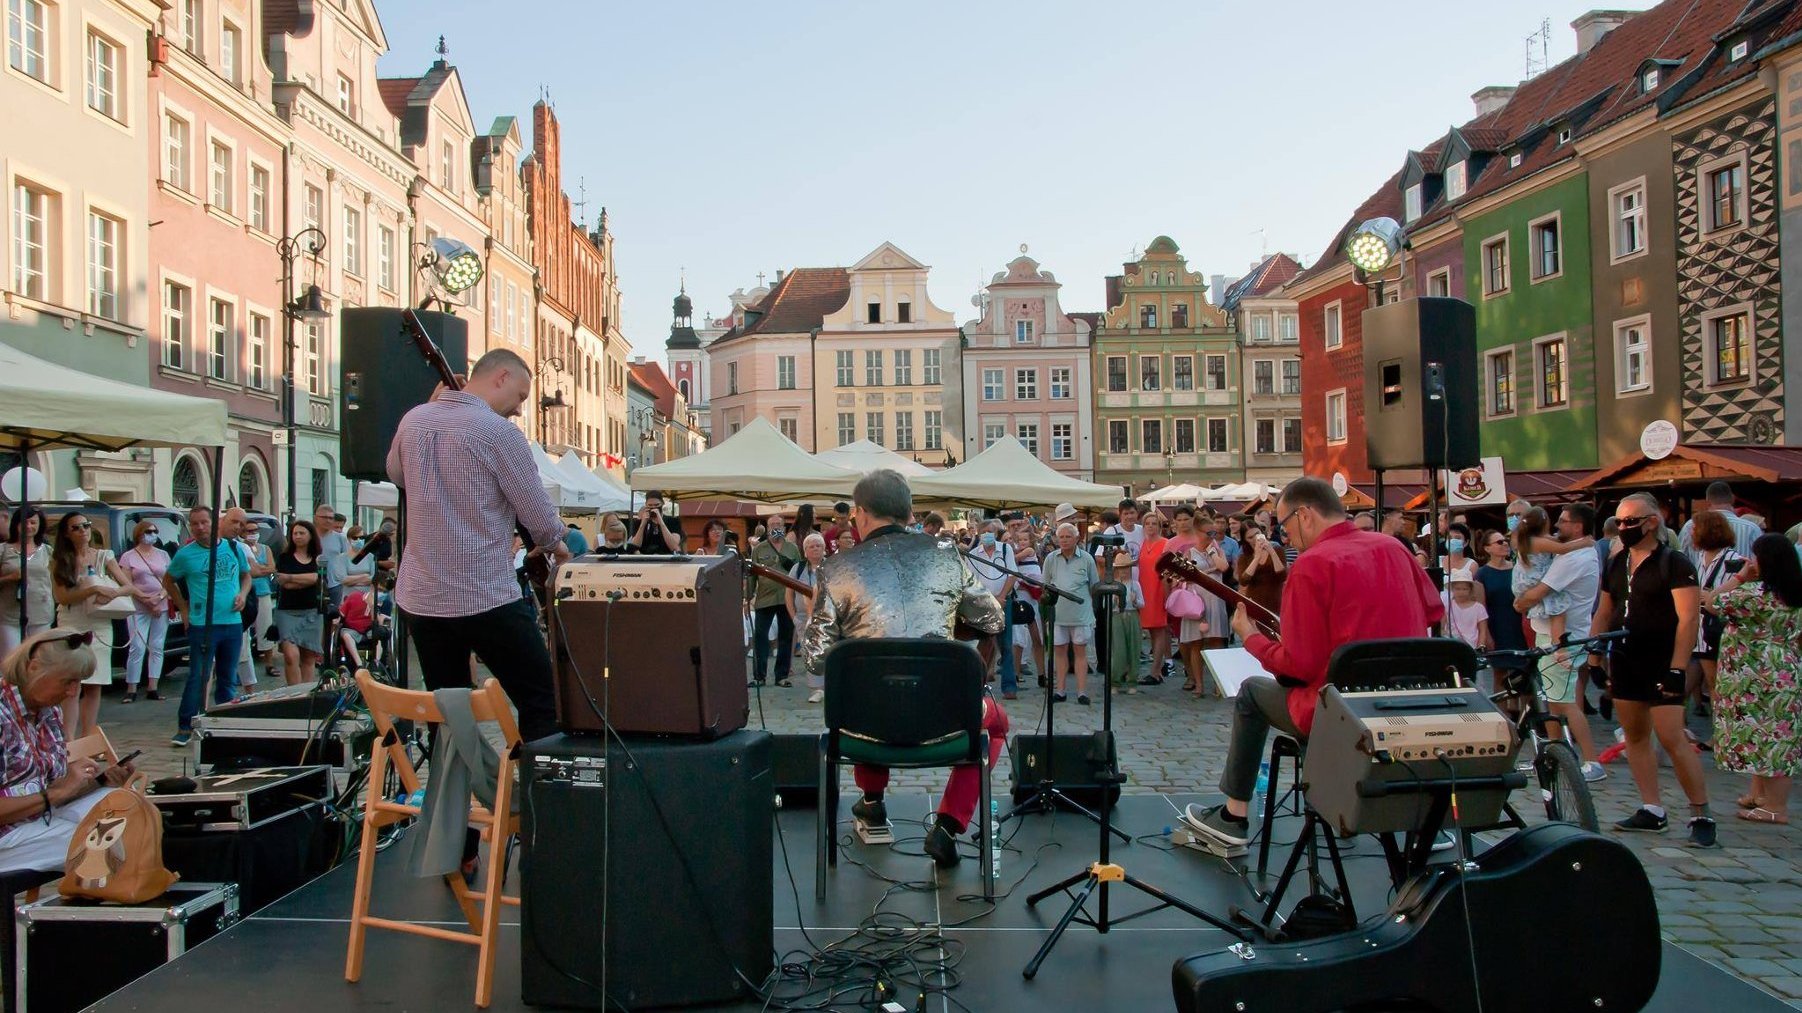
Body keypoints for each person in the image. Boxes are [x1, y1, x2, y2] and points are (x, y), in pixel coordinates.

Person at [1187, 477, 1443, 847]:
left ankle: (1234, 815)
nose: (1284, 536)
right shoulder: (1394, 548)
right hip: (1402, 702)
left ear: (1305, 515)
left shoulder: (1313, 565)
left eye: (1285, 524)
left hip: (1337, 708)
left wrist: (1251, 637)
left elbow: (1298, 666)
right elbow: (1433, 610)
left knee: (1251, 694)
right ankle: (1389, 817)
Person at [798, 469, 1005, 868]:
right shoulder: (947, 555)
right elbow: (993, 621)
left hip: (864, 725)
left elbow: (815, 658)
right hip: (946, 720)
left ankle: (872, 803)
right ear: (909, 511)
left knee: (870, 689)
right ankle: (947, 824)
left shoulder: (836, 570)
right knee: (996, 726)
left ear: (859, 513)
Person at [386, 348, 571, 744]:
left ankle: (449, 798)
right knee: (542, 700)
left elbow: (396, 474)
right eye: (521, 397)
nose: (520, 410)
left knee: (446, 707)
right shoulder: (499, 433)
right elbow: (537, 514)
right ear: (500, 377)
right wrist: (558, 545)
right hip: (482, 593)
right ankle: (542, 800)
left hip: (423, 596)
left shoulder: (415, 418)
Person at [1586, 492, 1715, 847]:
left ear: (1652, 522)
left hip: (1662, 658)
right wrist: (1595, 654)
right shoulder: (1617, 562)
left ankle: (1700, 812)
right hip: (1626, 657)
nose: (1624, 527)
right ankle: (1652, 808)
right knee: (1635, 736)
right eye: (1621, 521)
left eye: (1631, 521)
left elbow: (1688, 618)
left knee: (1673, 737)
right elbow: (1604, 610)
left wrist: (1677, 668)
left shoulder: (1673, 562)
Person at [0, 630, 138, 873]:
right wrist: (53, 795)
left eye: (79, 682)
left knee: (132, 811)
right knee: (108, 839)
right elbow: (54, 793)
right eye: (68, 681)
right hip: (7, 835)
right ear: (34, 668)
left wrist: (100, 781)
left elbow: (57, 789)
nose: (73, 692)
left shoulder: (48, 711)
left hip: (38, 818)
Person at [1707, 533, 1802, 825]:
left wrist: (1740, 577)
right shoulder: (1793, 593)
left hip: (1756, 671)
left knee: (1771, 739)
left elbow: (1712, 601)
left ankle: (1776, 807)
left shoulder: (1754, 595)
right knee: (1770, 734)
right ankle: (1760, 794)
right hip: (1783, 669)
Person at [1512, 504, 1606, 780]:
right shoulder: (1565, 549)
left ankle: (1592, 760)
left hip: (1565, 638)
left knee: (1564, 702)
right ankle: (1557, 753)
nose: (1558, 527)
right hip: (1549, 633)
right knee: (1553, 701)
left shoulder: (1575, 557)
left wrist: (1521, 602)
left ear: (1577, 527)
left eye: (1563, 522)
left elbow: (1539, 593)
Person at [164, 505, 250, 747]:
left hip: (232, 622)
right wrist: (183, 608)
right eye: (195, 524)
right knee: (198, 676)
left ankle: (223, 722)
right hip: (203, 624)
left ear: (215, 523)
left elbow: (246, 575)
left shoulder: (233, 547)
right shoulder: (185, 554)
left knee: (227, 676)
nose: (201, 528)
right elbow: (168, 580)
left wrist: (242, 594)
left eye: (205, 522)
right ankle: (185, 725)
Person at [48, 512, 129, 739]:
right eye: (76, 527)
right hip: (72, 621)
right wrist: (92, 589)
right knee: (72, 684)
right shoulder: (60, 560)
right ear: (66, 533)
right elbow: (62, 597)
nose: (83, 530)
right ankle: (68, 739)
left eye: (86, 525)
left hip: (100, 622)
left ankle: (89, 737)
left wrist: (111, 592)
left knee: (96, 682)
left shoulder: (104, 556)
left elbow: (128, 586)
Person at [1685, 508, 1745, 724]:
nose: (1691, 533)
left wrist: (1707, 596)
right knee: (1709, 682)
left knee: (1717, 684)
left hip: (1718, 627)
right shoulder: (1699, 557)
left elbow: (1735, 595)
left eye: (1695, 528)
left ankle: (1721, 729)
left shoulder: (1733, 559)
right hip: (1700, 629)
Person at [1041, 522, 1099, 705]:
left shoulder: (1087, 559)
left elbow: (1094, 586)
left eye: (1068, 537)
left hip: (1080, 614)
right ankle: (1060, 690)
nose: (1064, 540)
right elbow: (1046, 584)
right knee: (1059, 651)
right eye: (1061, 537)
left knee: (1080, 651)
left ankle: (1082, 691)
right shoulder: (1051, 558)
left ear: (1076, 539)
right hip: (1058, 614)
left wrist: (1091, 609)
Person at [117, 520, 171, 703]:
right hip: (138, 606)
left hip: (160, 605)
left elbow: (169, 581)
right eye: (149, 531)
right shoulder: (129, 556)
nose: (153, 534)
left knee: (157, 646)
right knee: (137, 647)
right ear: (139, 533)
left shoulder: (163, 555)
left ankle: (153, 687)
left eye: (155, 531)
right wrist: (146, 600)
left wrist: (160, 597)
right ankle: (131, 688)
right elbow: (127, 583)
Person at [966, 521, 1018, 697]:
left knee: (1006, 644)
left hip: (1004, 601)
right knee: (984, 644)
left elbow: (1012, 574)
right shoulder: (973, 554)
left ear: (996, 533)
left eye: (991, 532)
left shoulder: (1005, 550)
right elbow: (971, 581)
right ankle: (979, 685)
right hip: (983, 604)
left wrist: (1002, 596)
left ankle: (1009, 686)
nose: (987, 534)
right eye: (984, 532)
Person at [748, 516, 801, 688]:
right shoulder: (759, 549)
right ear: (767, 527)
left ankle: (782, 676)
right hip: (765, 598)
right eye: (772, 525)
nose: (775, 527)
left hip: (787, 598)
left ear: (784, 527)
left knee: (786, 637)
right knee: (760, 636)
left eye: (778, 524)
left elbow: (799, 572)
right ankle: (759, 676)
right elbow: (752, 574)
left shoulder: (792, 548)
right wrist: (747, 596)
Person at [1475, 527, 1529, 690]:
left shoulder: (1518, 568)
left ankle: (1523, 711)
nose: (1505, 544)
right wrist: (1487, 636)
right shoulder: (1482, 574)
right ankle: (1503, 712)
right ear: (1487, 548)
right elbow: (1481, 608)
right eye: (1499, 542)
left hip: (1519, 623)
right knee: (1500, 672)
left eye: (1506, 541)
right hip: (1497, 625)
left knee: (1525, 672)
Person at [273, 520, 325, 687]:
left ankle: (306, 693)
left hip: (311, 611)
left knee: (308, 656)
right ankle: (293, 693)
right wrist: (303, 579)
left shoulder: (318, 558)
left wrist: (291, 577)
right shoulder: (285, 557)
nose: (298, 536)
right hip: (287, 611)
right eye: (295, 533)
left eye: (302, 533)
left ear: (310, 535)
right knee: (291, 655)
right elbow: (284, 582)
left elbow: (317, 578)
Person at [1, 508, 52, 659]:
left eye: (33, 522)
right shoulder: (3, 550)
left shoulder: (47, 551)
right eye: (24, 522)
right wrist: (10, 577)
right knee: (11, 660)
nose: (29, 526)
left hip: (40, 613)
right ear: (16, 525)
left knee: (39, 659)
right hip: (10, 615)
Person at [788, 532, 827, 704]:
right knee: (810, 652)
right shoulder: (797, 569)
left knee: (828, 650)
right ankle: (816, 689)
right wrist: (794, 617)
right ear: (805, 551)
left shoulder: (832, 566)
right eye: (811, 546)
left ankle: (829, 686)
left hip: (826, 617)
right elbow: (788, 595)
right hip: (804, 618)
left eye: (819, 545)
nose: (815, 548)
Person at [1678, 481, 1762, 559]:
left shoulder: (1691, 525)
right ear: (1732, 499)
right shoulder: (1752, 528)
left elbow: (1681, 559)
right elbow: (1760, 562)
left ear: (1708, 502)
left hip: (1701, 574)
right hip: (1741, 574)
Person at [239, 525, 276, 690]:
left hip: (263, 591)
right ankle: (242, 671)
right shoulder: (241, 547)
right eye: (249, 531)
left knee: (266, 629)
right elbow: (251, 572)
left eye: (255, 530)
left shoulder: (265, 548)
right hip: (246, 594)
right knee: (244, 633)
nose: (253, 534)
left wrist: (259, 570)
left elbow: (272, 568)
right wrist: (261, 570)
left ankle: (269, 663)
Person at [1008, 529, 1045, 692]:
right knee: (1019, 637)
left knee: (1037, 638)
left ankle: (1042, 674)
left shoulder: (1029, 551)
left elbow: (1015, 559)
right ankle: (1016, 674)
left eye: (1025, 540)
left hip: (1030, 596)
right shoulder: (1020, 551)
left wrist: (1010, 553)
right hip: (1021, 596)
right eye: (1020, 540)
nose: (1022, 542)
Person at [1108, 553, 1145, 694]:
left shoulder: (1135, 585)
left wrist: (1136, 601)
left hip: (1132, 615)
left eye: (1126, 568)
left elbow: (1142, 603)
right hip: (1117, 615)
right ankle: (1115, 680)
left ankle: (1132, 680)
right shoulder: (1113, 585)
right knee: (1119, 650)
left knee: (1134, 648)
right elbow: (1107, 605)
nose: (1124, 571)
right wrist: (1114, 601)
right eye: (1121, 568)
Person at [1235, 521, 1287, 620]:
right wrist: (1256, 558)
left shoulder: (1277, 550)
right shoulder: (1244, 557)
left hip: (1276, 602)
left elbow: (1282, 575)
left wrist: (1271, 551)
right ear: (1246, 540)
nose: (1255, 539)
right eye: (1250, 537)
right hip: (1255, 602)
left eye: (1257, 534)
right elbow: (1244, 580)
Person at [312, 505, 350, 610]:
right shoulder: (308, 537)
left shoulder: (340, 538)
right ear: (316, 518)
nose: (328, 520)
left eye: (330, 518)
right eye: (324, 517)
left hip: (334, 585)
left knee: (333, 616)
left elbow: (346, 560)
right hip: (312, 583)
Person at [1444, 575, 1488, 650]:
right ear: (1452, 589)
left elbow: (1483, 631)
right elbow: (1442, 628)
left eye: (1465, 589)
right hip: (1452, 646)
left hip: (1472, 647)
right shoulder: (1447, 606)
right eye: (1457, 589)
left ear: (1470, 590)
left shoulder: (1479, 608)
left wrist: (1481, 646)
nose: (1461, 592)